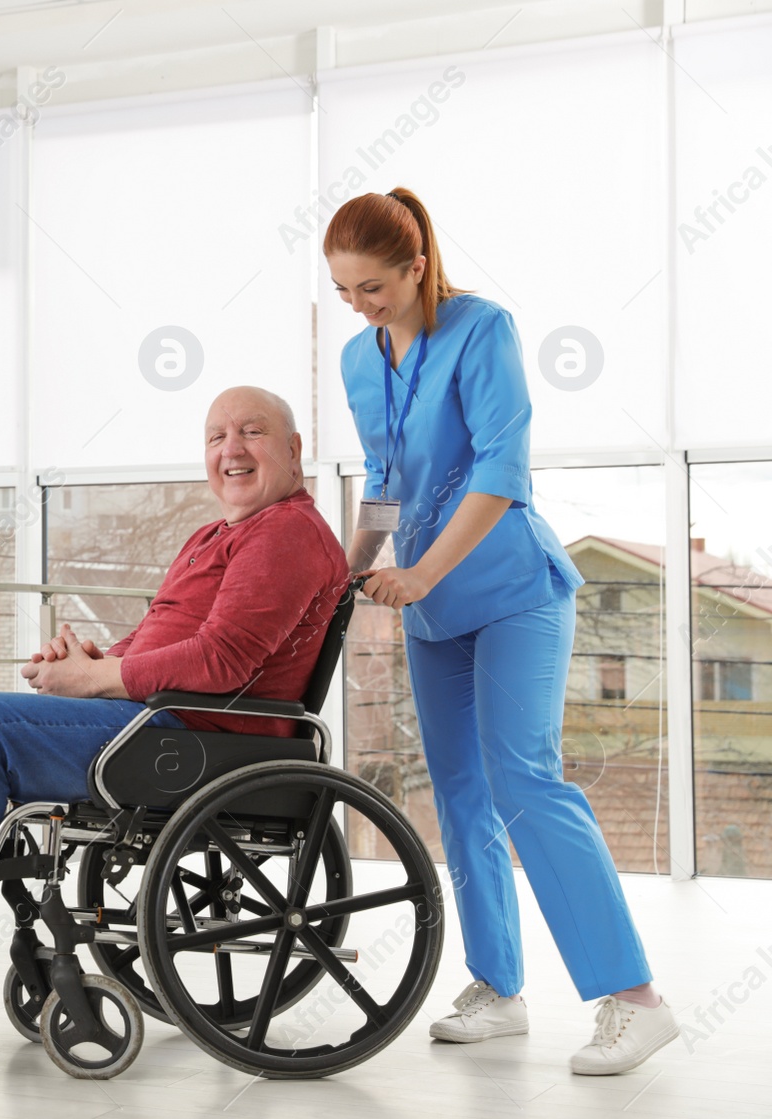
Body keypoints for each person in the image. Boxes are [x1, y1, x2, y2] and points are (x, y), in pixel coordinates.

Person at [0, 386, 349, 1000]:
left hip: (201, 741)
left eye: (252, 432)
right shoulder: (214, 535)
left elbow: (222, 661)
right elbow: (157, 639)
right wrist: (95, 660)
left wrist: (93, 681)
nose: (231, 450)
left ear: (295, 450)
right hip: (159, 722)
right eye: (215, 437)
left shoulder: (285, 533)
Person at [323, 188, 677, 1075]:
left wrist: (421, 570)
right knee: (457, 792)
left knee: (525, 779)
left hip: (515, 589)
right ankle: (498, 986)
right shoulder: (360, 361)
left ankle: (635, 1000)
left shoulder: (483, 329)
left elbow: (501, 468)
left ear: (415, 265)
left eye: (374, 287)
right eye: (344, 293)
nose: (363, 307)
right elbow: (386, 475)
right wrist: (346, 563)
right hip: (431, 609)